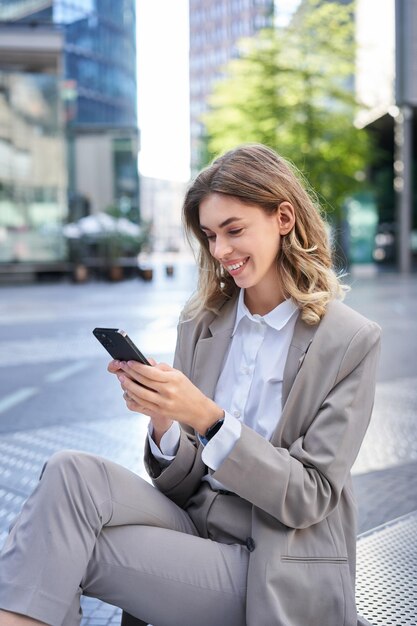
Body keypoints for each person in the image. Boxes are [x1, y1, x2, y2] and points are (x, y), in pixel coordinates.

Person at [0, 144, 380, 626]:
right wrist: (164, 422)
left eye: (234, 230)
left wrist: (208, 417)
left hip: (273, 556)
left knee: (64, 552)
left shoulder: (349, 340)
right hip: (197, 526)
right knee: (70, 472)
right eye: (210, 235)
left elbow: (311, 496)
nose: (220, 251)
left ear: (283, 217)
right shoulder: (202, 326)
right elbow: (181, 481)